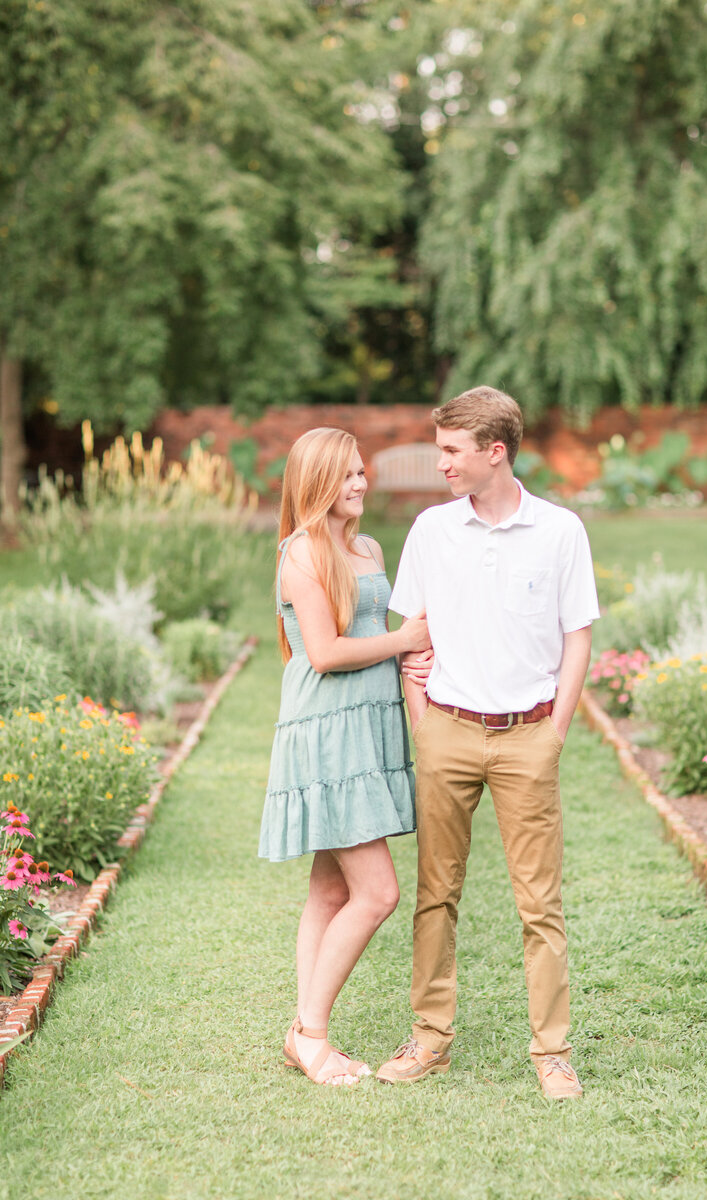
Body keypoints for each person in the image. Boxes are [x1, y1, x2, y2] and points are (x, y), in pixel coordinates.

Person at [376, 386, 600, 1100]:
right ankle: (429, 1040)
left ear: (494, 452)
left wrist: (555, 732)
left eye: (451, 451)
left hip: (528, 737)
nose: (440, 462)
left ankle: (553, 1053)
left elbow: (578, 636)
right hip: (445, 730)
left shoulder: (561, 531)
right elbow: (413, 633)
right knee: (435, 894)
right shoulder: (431, 531)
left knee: (541, 904)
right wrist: (422, 720)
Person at [259, 426, 431, 1088]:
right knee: (378, 891)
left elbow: (373, 633)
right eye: (348, 475)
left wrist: (408, 649)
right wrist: (403, 638)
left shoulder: (365, 546)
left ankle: (305, 1033)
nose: (361, 483)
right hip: (327, 733)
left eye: (363, 473)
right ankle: (311, 1034)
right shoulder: (301, 555)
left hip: (368, 730)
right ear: (317, 482)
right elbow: (326, 654)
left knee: (331, 887)